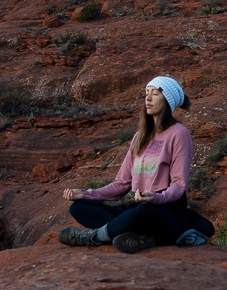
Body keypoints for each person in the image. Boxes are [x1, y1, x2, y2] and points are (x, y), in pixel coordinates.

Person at [58, 76, 214, 254]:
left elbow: (179, 185)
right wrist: (85, 194)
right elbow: (121, 184)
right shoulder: (140, 136)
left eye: (155, 94)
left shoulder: (179, 133)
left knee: (142, 212)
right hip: (138, 207)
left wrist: (156, 198)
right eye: (147, 93)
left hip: (166, 210)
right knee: (79, 207)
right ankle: (140, 236)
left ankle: (94, 237)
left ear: (168, 100)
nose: (148, 98)